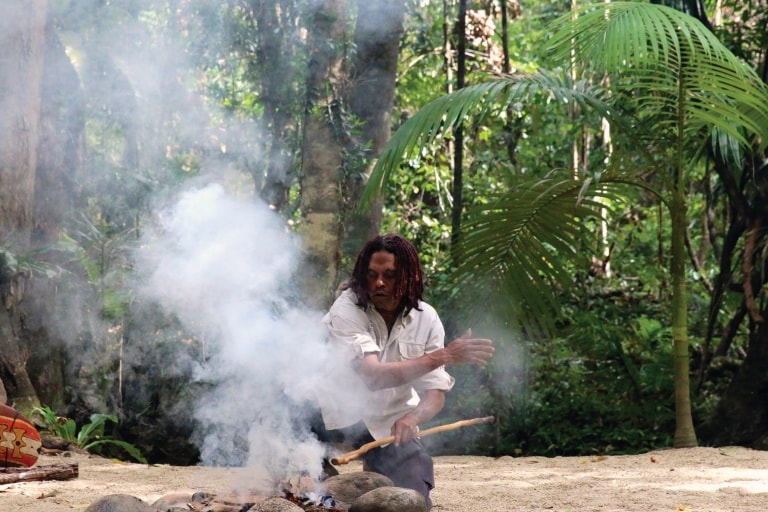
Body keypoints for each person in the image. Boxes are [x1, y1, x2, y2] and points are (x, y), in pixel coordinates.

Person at [320, 233, 494, 508]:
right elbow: (373, 376)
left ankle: (376, 470)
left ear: (409, 278)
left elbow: (435, 391)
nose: (379, 283)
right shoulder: (347, 309)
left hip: (389, 422)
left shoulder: (427, 318)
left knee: (412, 500)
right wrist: (445, 354)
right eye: (372, 274)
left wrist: (412, 418)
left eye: (389, 275)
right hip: (329, 415)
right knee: (304, 488)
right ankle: (316, 471)